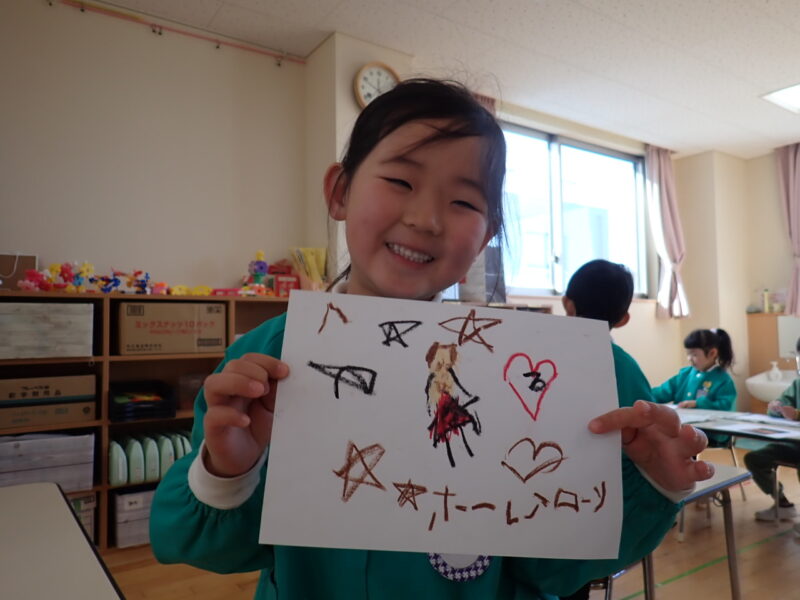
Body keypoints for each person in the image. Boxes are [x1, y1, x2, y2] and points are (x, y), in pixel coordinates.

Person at [149, 78, 713, 600]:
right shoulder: (266, 360)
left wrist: (653, 486)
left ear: (486, 235)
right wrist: (229, 473)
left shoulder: (538, 366)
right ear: (340, 191)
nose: (426, 219)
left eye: (463, 202)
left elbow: (552, 569)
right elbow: (202, 544)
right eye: (400, 181)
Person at [558, 259, 657, 600]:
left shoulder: (541, 357)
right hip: (596, 509)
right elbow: (649, 436)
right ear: (624, 318)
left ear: (567, 304)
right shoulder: (626, 367)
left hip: (531, 500)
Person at [744, 337, 800, 527]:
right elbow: (780, 405)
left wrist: (797, 414)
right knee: (755, 459)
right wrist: (776, 407)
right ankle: (782, 503)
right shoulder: (797, 384)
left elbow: (795, 414)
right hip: (794, 444)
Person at [651, 328, 737, 446]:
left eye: (694, 354)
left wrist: (697, 403)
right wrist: (642, 394)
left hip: (710, 436)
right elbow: (663, 392)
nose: (689, 358)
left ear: (712, 353)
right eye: (688, 354)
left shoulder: (723, 379)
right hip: (683, 431)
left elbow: (725, 405)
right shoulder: (684, 374)